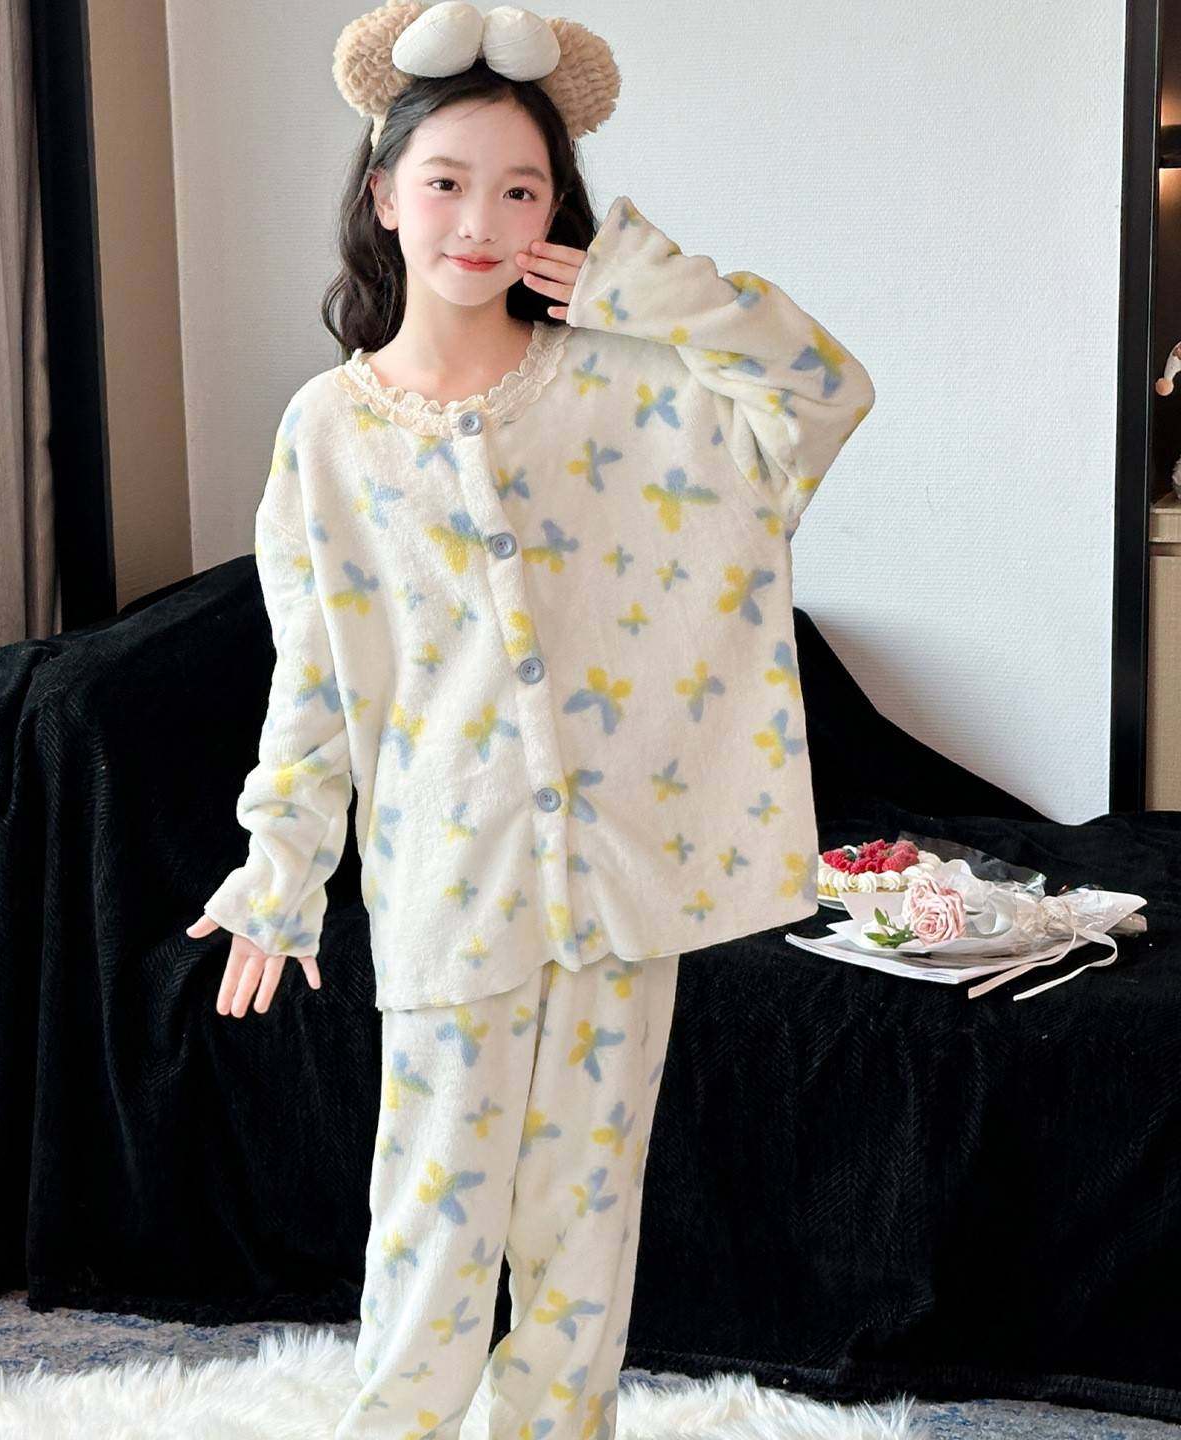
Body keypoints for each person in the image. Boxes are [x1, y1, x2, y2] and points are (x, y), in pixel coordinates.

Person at [185, 1, 876, 1433]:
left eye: (522, 190)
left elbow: (824, 391)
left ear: (560, 211)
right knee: (432, 1238)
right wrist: (280, 870)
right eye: (446, 182)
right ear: (385, 196)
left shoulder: (632, 387)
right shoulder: (329, 431)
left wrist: (655, 291)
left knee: (584, 1244)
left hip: (623, 886)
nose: (481, 220)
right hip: (451, 878)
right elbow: (315, 678)